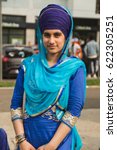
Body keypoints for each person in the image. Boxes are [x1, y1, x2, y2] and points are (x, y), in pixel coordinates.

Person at [10, 4, 86, 150]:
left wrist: (51, 146)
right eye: (47, 34)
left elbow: (74, 110)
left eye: (57, 35)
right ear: (41, 35)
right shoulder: (28, 65)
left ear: (66, 36)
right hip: (28, 141)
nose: (51, 41)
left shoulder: (75, 68)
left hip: (59, 142)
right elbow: (15, 105)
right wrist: (22, 141)